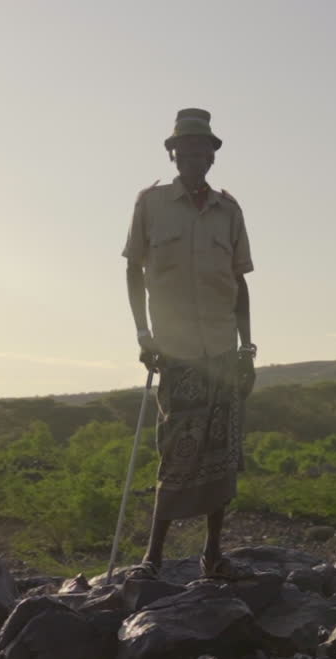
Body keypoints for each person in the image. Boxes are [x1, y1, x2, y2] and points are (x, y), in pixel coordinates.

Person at [121, 108, 257, 580]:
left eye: (203, 150)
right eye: (186, 150)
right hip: (175, 350)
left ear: (212, 156)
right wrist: (144, 334)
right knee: (175, 449)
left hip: (222, 349)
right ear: (173, 153)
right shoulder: (151, 204)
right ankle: (153, 557)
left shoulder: (230, 210)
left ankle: (212, 553)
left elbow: (239, 285)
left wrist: (247, 350)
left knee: (221, 453)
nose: (194, 157)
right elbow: (133, 271)